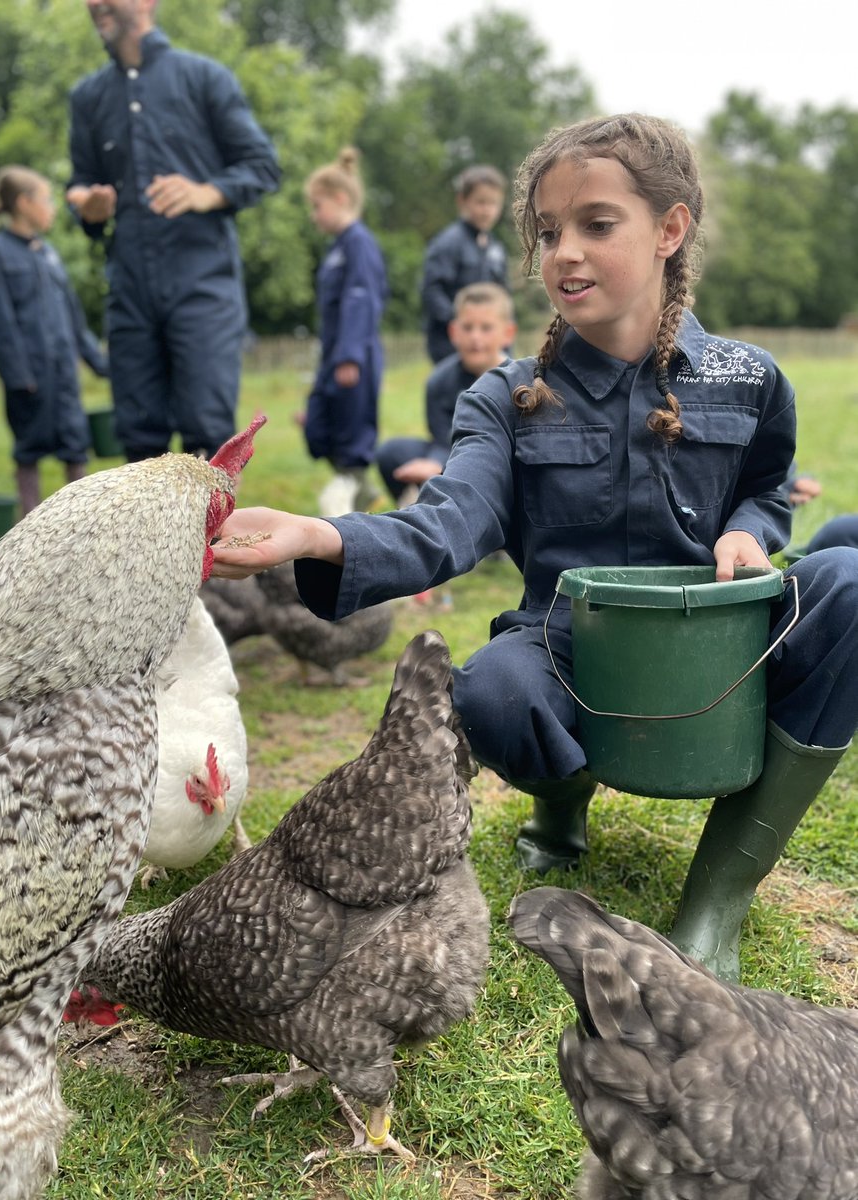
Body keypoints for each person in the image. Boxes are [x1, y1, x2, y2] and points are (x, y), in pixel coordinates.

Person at [211, 114, 858, 983]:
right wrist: (318, 534)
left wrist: (749, 530)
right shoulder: (508, 395)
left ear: (670, 230)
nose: (565, 253)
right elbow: (452, 521)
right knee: (492, 692)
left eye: (597, 223)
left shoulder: (750, 378)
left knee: (848, 579)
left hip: (721, 637)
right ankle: (562, 803)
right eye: (548, 232)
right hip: (571, 641)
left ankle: (715, 904)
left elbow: (768, 488)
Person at [66, 0, 280, 461]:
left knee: (208, 433)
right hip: (129, 291)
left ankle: (210, 514)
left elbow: (263, 166)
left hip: (203, 287)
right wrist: (88, 205)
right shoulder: (87, 97)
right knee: (138, 437)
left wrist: (208, 192)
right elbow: (80, 184)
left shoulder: (204, 77)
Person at [0, 165, 109, 516]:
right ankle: (29, 529)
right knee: (28, 450)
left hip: (64, 375)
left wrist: (101, 364)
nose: (52, 208)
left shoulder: (48, 253)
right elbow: (2, 322)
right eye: (47, 200)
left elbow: (74, 319)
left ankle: (79, 524)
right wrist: (19, 376)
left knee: (75, 448)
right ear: (24, 203)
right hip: (30, 378)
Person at [303, 147, 388, 518]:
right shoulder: (337, 247)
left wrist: (350, 355)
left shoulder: (358, 242)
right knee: (319, 426)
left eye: (317, 205)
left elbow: (361, 299)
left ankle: (351, 496)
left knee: (351, 429)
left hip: (354, 354)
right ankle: (361, 490)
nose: (314, 215)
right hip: (332, 354)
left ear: (340, 199)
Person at [375, 283, 516, 505]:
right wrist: (435, 464)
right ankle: (414, 508)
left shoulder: (520, 382)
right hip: (452, 456)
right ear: (453, 332)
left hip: (503, 465)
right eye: (467, 327)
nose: (475, 337)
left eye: (486, 328)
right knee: (391, 452)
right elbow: (442, 439)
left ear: (508, 333)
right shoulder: (438, 381)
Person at [420, 164, 511, 364]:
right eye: (481, 202)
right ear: (462, 201)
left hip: (490, 347)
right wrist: (465, 327)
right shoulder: (447, 244)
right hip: (451, 348)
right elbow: (432, 291)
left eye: (493, 203)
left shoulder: (495, 248)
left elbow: (503, 294)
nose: (487, 210)